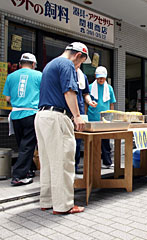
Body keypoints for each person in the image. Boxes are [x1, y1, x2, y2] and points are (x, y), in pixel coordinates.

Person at [35, 42, 89, 214]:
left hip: (42, 116)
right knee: (64, 162)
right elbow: (69, 91)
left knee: (49, 162)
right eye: (81, 62)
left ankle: (47, 200)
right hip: (57, 117)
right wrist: (77, 116)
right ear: (78, 55)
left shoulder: (50, 64)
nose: (78, 66)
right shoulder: (67, 64)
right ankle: (64, 205)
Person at [3, 53, 42, 186]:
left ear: (20, 64)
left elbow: (7, 98)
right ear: (33, 64)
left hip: (15, 115)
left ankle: (29, 170)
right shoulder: (39, 75)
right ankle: (18, 176)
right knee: (28, 145)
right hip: (31, 114)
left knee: (23, 145)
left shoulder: (11, 76)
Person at [87, 66, 116, 168]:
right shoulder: (90, 87)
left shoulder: (109, 88)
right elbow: (86, 102)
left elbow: (112, 103)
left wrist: (111, 115)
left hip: (105, 118)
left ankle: (107, 162)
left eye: (103, 78)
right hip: (92, 116)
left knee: (105, 141)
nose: (101, 80)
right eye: (99, 77)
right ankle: (92, 162)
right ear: (95, 76)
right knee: (92, 141)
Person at [74, 66, 97, 174]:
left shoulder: (83, 76)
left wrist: (89, 102)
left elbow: (86, 94)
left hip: (80, 112)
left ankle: (75, 166)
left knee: (78, 140)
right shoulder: (65, 72)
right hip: (67, 111)